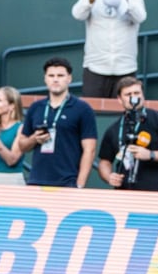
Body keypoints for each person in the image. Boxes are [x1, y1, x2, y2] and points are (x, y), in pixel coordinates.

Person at [18, 57, 98, 188]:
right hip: (36, 181)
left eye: (60, 75)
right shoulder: (35, 107)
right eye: (51, 76)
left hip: (68, 182)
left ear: (69, 78)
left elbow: (90, 150)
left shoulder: (83, 109)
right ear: (45, 79)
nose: (55, 79)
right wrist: (34, 139)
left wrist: (79, 185)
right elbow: (22, 146)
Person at [98, 77, 158, 191]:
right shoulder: (114, 128)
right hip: (124, 191)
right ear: (119, 99)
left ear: (143, 95)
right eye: (128, 94)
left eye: (137, 93)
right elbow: (104, 162)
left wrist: (150, 155)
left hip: (157, 192)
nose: (133, 97)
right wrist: (109, 177)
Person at [72, 0, 147, 98]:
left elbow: (140, 17)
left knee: (124, 108)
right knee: (93, 107)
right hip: (95, 67)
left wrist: (123, 0)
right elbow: (78, 14)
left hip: (125, 68)